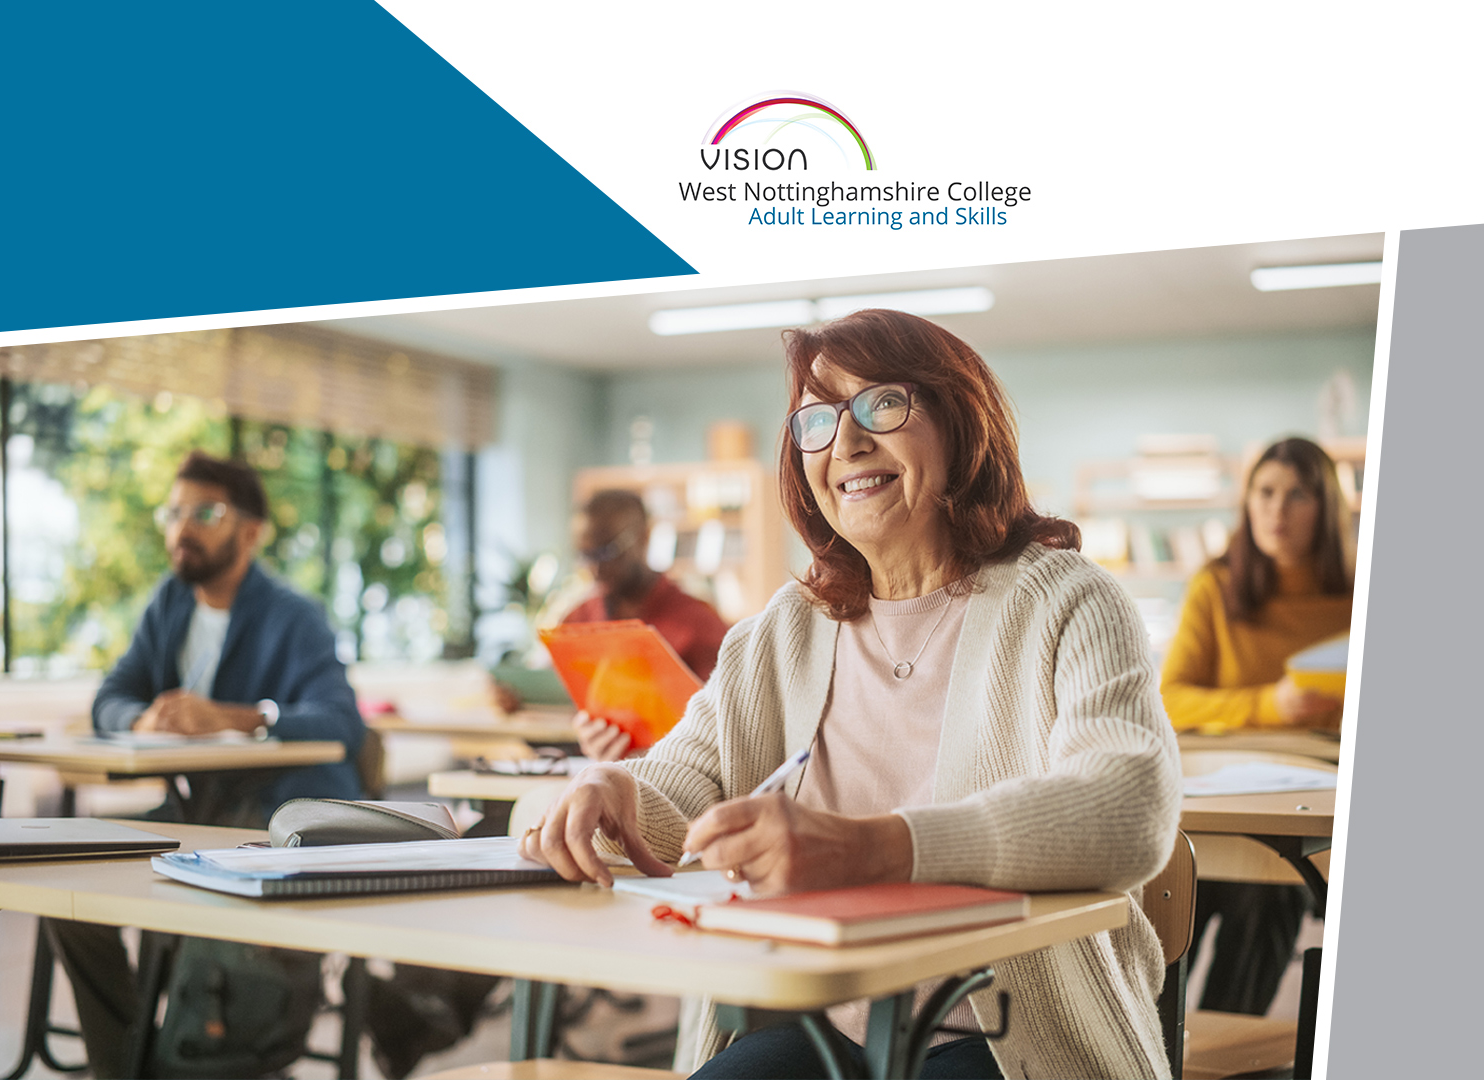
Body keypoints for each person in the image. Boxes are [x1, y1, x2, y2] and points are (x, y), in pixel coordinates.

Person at [520, 309, 1181, 1080]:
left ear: (962, 427)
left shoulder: (1069, 601)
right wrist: (611, 787)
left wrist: (876, 848)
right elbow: (679, 795)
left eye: (883, 405)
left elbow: (1131, 810)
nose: (847, 442)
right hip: (828, 1027)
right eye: (818, 419)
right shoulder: (783, 630)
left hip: (1009, 1035)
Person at [47, 451, 367, 1078]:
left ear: (250, 531)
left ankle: (182, 1058)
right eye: (174, 512)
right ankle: (129, 1065)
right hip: (200, 808)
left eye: (205, 513)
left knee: (201, 897)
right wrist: (139, 719)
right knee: (66, 887)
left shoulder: (291, 614)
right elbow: (109, 699)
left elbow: (342, 722)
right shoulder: (169, 604)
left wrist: (237, 716)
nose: (181, 528)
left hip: (281, 810)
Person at [1161, 437, 1354, 1016]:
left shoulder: (1356, 594)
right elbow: (1170, 699)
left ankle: (1223, 1051)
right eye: (1265, 492)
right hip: (1212, 786)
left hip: (1308, 782)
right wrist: (1271, 703)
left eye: (1298, 495)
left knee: (1271, 894)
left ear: (1326, 507)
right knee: (1162, 886)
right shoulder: (1215, 586)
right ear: (1246, 502)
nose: (1277, 510)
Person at [564, 489, 730, 761]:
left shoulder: (700, 622)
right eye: (586, 554)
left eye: (607, 551)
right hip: (595, 768)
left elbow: (727, 723)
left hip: (679, 771)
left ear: (644, 537)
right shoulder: (577, 619)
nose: (595, 568)